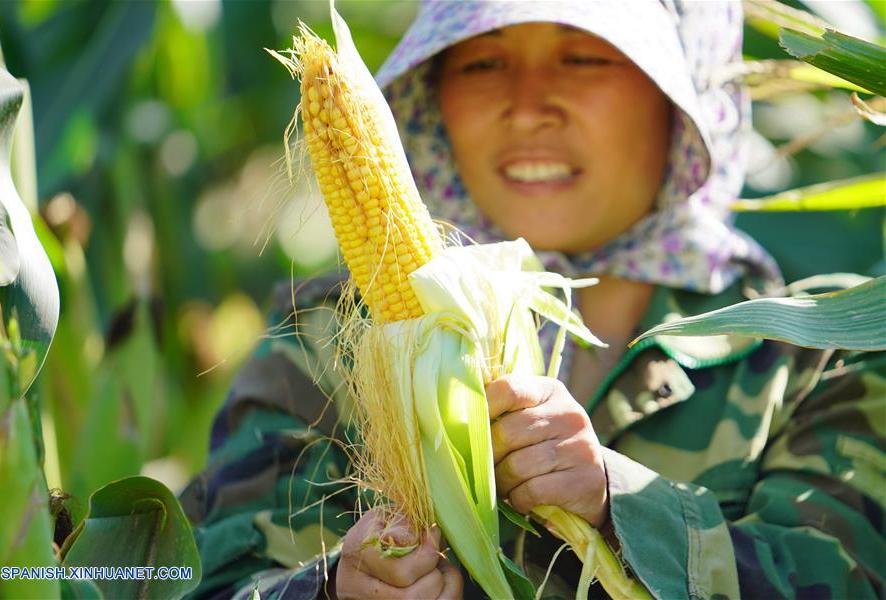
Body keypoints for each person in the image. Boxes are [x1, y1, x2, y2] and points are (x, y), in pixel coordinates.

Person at [178, 1, 885, 598]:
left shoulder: (820, 349)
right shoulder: (329, 338)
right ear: (430, 94)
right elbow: (205, 577)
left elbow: (848, 575)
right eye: (483, 62)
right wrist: (334, 588)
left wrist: (620, 502)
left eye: (585, 58)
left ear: (682, 94)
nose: (528, 107)